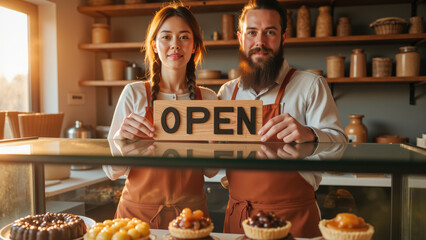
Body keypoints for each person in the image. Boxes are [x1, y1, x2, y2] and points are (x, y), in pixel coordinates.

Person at [218, 0, 347, 238]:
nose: (260, 42)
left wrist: (310, 135)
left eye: (270, 32)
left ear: (283, 37)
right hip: (240, 220)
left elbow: (340, 147)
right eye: (252, 33)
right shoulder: (227, 93)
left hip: (295, 220)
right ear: (240, 38)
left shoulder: (311, 85)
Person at [104, 3, 218, 229]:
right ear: (155, 45)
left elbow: (211, 171)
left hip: (190, 219)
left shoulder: (209, 99)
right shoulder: (134, 93)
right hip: (135, 218)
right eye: (166, 37)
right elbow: (111, 171)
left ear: (194, 45)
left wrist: (216, 147)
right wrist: (120, 143)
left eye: (184, 37)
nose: (175, 44)